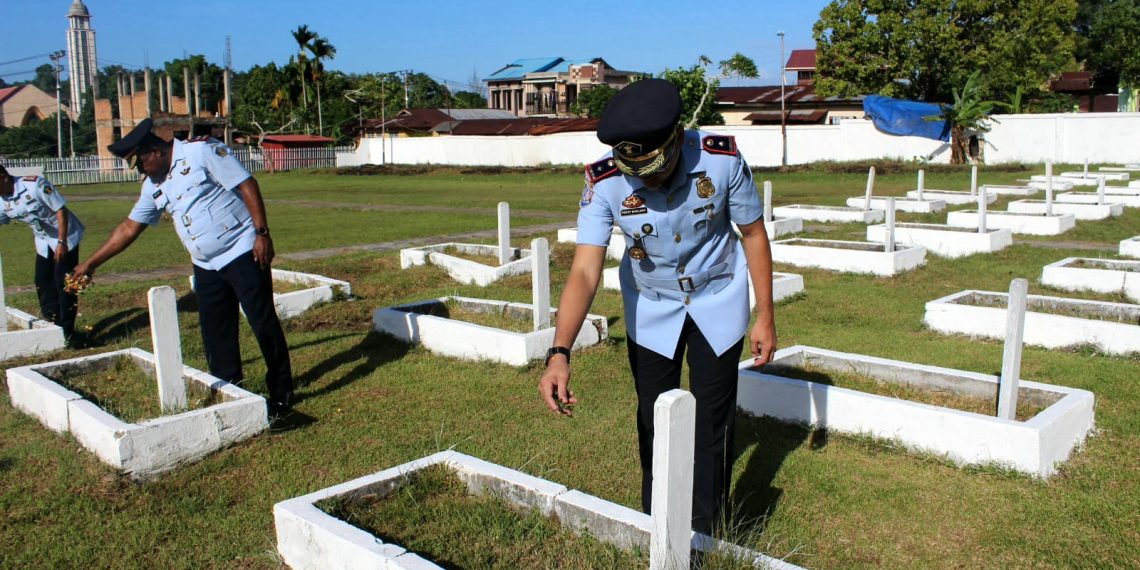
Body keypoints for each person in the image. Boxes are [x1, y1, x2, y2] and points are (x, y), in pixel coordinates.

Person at [537, 79, 777, 535]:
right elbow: (585, 271)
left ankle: (704, 535)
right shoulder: (604, 183)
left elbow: (752, 234)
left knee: (712, 424)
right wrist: (560, 352)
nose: (646, 181)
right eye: (638, 174)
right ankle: (657, 525)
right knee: (653, 418)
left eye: (656, 170)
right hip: (652, 309)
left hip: (718, 299)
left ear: (676, 140)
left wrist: (765, 314)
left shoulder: (721, 160)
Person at [72, 119, 294, 416]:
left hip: (242, 251)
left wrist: (261, 234)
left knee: (262, 322)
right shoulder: (153, 185)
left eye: (140, 163)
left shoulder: (200, 153)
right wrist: (90, 264)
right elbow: (128, 227)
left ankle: (281, 393)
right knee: (216, 331)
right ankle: (231, 391)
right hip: (206, 264)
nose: (140, 171)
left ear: (154, 152)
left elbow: (246, 183)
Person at [0, 165, 86, 344]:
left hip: (64, 235)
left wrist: (62, 242)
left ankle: (68, 333)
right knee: (42, 280)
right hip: (43, 239)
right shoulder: (2, 199)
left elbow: (60, 211)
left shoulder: (35, 185)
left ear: (3, 177)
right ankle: (52, 324)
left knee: (64, 283)